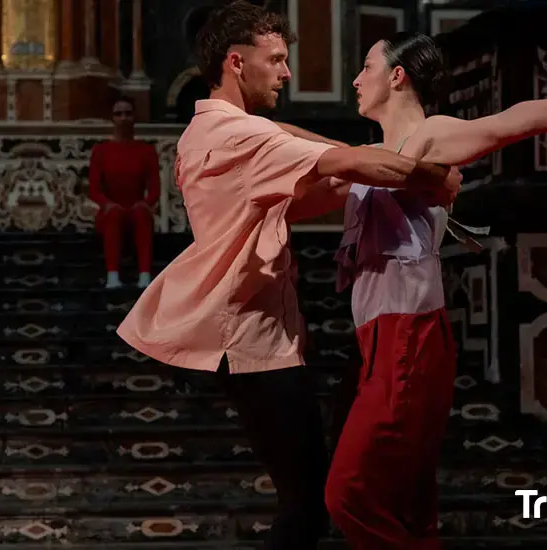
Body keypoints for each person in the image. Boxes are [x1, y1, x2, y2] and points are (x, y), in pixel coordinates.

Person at [115, 4, 462, 549]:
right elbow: (355, 165)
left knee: (314, 497)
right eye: (275, 59)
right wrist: (432, 176)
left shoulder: (221, 133)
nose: (286, 72)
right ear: (236, 63)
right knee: (308, 507)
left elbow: (309, 189)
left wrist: (365, 176)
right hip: (252, 342)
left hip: (261, 336)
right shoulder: (240, 137)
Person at [311, 32, 547, 549]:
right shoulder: (377, 154)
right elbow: (311, 152)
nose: (356, 79)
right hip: (382, 339)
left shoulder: (430, 134)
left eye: (366, 67)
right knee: (406, 503)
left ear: (398, 76)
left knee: (348, 494)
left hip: (408, 334)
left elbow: (506, 123)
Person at [88, 96, 161, 289]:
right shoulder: (101, 151)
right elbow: (94, 190)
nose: (123, 118)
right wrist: (107, 204)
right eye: (118, 114)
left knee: (141, 214)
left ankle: (145, 276)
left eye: (128, 113)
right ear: (112, 119)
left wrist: (145, 203)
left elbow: (154, 190)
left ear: (134, 117)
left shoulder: (146, 151)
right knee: (114, 214)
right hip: (110, 213)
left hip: (137, 211)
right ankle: (113, 276)